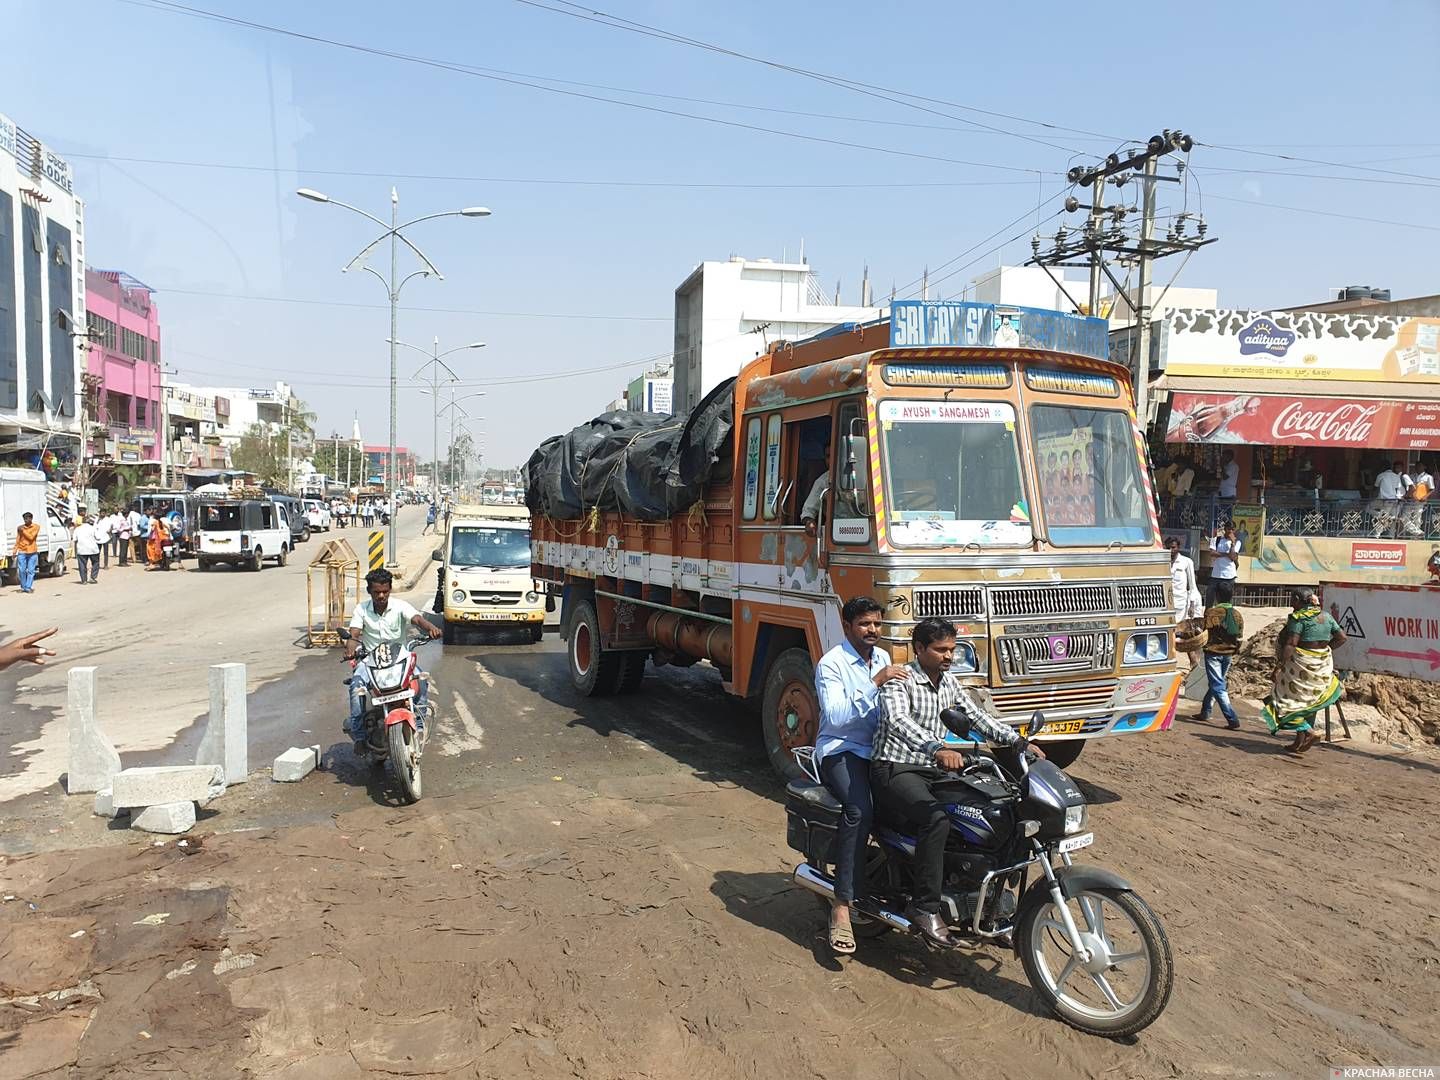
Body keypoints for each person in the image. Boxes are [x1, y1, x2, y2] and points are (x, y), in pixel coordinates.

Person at [871, 617, 1041, 948]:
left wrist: (1017, 741)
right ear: (919, 649)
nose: (948, 656)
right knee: (936, 819)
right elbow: (898, 721)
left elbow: (978, 718)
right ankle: (925, 908)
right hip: (894, 769)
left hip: (931, 770)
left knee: (993, 811)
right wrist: (937, 747)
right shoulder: (900, 681)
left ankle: (989, 906)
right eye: (940, 649)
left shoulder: (949, 683)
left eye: (952, 649)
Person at [813, 597, 910, 955]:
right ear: (847, 625)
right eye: (865, 624)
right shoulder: (831, 664)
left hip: (880, 749)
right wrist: (876, 682)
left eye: (877, 625)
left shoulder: (882, 656)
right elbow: (836, 717)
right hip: (841, 750)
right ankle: (841, 904)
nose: (873, 631)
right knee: (860, 810)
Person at [345, 568, 442, 748]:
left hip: (399, 659)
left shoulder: (399, 606)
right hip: (370, 660)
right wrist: (350, 648)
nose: (381, 595)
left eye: (385, 591)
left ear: (390, 589)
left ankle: (419, 728)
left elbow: (418, 619)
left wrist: (431, 628)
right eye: (376, 592)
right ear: (369, 591)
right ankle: (359, 737)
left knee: (420, 682)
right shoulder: (361, 609)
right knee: (356, 687)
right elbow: (354, 633)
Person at [1263, 589, 1345, 754]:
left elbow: (1291, 644)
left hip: (1300, 667)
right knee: (1310, 702)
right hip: (1321, 667)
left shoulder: (1298, 618)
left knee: (1280, 702)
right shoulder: (1326, 616)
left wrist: (1279, 666)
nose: (1291, 603)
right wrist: (1323, 650)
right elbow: (1342, 637)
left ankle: (1308, 732)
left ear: (1298, 599)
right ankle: (1299, 741)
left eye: (1292, 600)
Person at [1197, 582, 1245, 729]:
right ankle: (1205, 711)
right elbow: (1240, 637)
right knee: (1216, 683)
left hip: (1213, 653)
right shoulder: (1237, 614)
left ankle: (1232, 718)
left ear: (1217, 596)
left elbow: (1203, 632)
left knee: (1218, 685)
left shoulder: (1212, 613)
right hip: (1229, 654)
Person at [1372, 460, 1408, 538]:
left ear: (1382, 467)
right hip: (1394, 500)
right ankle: (1391, 535)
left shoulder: (1381, 475)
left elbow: (1375, 487)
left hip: (1385, 500)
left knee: (1377, 514)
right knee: (1392, 518)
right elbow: (1398, 488)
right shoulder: (1396, 476)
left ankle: (1376, 534)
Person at [1208, 522, 1240, 603]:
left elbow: (1232, 557)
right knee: (1210, 596)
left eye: (1233, 529)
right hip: (1216, 574)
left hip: (1229, 576)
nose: (1231, 531)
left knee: (1226, 600)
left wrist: (1232, 544)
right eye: (1229, 529)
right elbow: (1212, 553)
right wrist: (1226, 554)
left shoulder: (1237, 542)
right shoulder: (1217, 540)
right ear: (1225, 529)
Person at [1402, 460, 1432, 538]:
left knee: (1417, 519)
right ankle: (1417, 532)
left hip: (1420, 501)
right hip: (1410, 501)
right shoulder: (1411, 476)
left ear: (1424, 467)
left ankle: (1416, 537)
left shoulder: (1428, 477)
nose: (1417, 467)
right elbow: (1409, 488)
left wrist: (1425, 497)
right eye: (1416, 466)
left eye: (1420, 466)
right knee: (1404, 517)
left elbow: (1432, 489)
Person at [13, 512, 40, 593]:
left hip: (32, 551)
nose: (26, 520)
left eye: (28, 518)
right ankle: (23, 587)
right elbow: (18, 539)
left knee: (31, 571)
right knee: (22, 570)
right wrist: (14, 550)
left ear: (31, 519)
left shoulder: (36, 527)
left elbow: (31, 538)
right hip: (22, 551)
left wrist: (23, 531)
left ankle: (28, 587)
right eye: (25, 519)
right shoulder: (21, 528)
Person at [72, 511, 102, 585]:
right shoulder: (93, 528)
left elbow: (74, 540)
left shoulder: (77, 529)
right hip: (93, 549)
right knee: (95, 563)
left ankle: (84, 580)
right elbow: (98, 538)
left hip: (82, 550)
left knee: (82, 565)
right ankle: (93, 577)